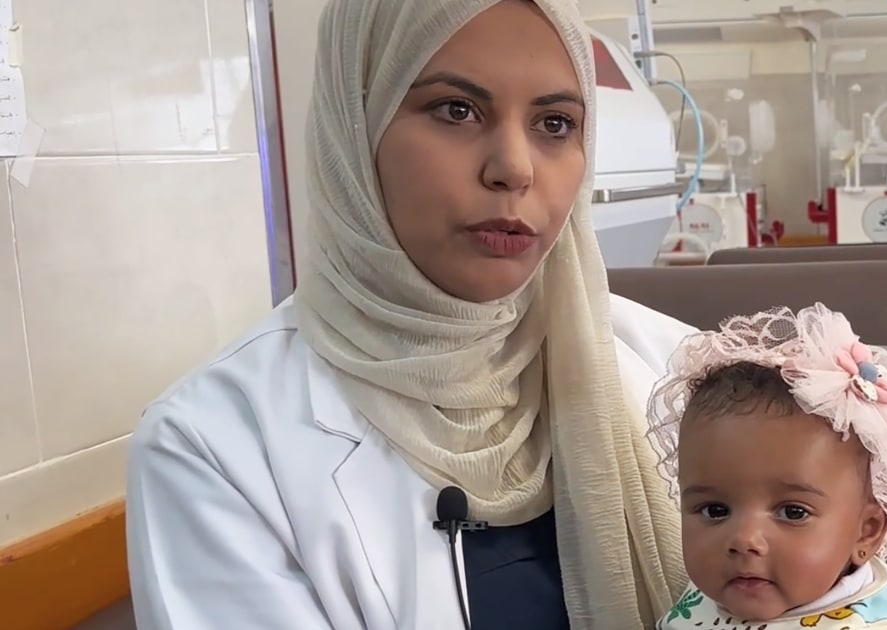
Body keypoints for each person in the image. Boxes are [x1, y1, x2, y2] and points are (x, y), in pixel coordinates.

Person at [124, 1, 692, 628]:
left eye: (555, 124)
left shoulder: (682, 371)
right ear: (356, 127)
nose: (514, 168)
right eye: (457, 110)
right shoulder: (215, 445)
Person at [646, 304, 887, 629]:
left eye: (793, 512)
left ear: (865, 531)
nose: (744, 539)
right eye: (715, 510)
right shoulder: (706, 595)